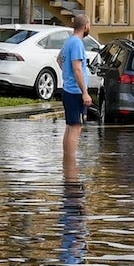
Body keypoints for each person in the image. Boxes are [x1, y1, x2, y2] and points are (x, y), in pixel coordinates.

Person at [58, 27, 93, 168]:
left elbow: (59, 59)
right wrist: (84, 91)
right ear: (85, 26)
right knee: (76, 127)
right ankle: (71, 166)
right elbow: (77, 68)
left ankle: (67, 163)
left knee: (70, 127)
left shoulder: (68, 41)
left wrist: (67, 75)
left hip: (68, 89)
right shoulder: (77, 43)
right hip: (75, 91)